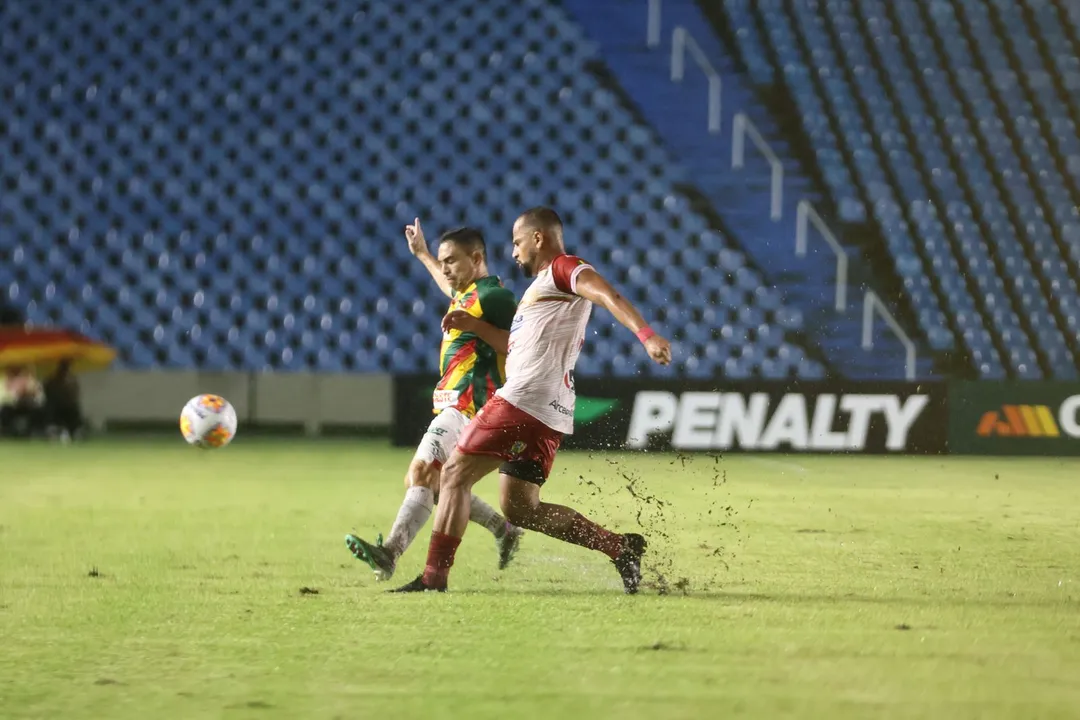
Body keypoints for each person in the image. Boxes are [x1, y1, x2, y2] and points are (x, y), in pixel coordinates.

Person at [393, 207, 672, 595]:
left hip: (523, 399)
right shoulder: (541, 289)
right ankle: (621, 547)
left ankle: (432, 578)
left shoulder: (563, 268)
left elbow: (606, 293)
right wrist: (425, 256)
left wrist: (646, 335)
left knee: (454, 473)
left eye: (517, 242)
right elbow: (466, 298)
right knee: (521, 509)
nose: (513, 252)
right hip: (551, 412)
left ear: (538, 238)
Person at [345, 221, 525, 581]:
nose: (445, 269)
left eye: (451, 261)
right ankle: (504, 531)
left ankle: (390, 553)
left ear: (477, 258)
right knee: (441, 484)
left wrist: (476, 330)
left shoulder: (495, 298)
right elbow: (449, 287)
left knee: (422, 474)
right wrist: (423, 254)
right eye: (442, 261)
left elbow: (520, 345)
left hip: (469, 406)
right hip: (458, 407)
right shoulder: (468, 294)